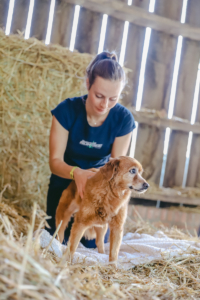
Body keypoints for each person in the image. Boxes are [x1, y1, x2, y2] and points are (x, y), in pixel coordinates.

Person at [45, 51, 136, 248]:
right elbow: (54, 162)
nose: (105, 105)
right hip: (64, 182)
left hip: (98, 186)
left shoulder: (123, 119)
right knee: (57, 241)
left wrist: (96, 185)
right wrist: (75, 172)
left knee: (92, 245)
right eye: (99, 96)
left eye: (113, 99)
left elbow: (117, 168)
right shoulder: (65, 111)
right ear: (88, 84)